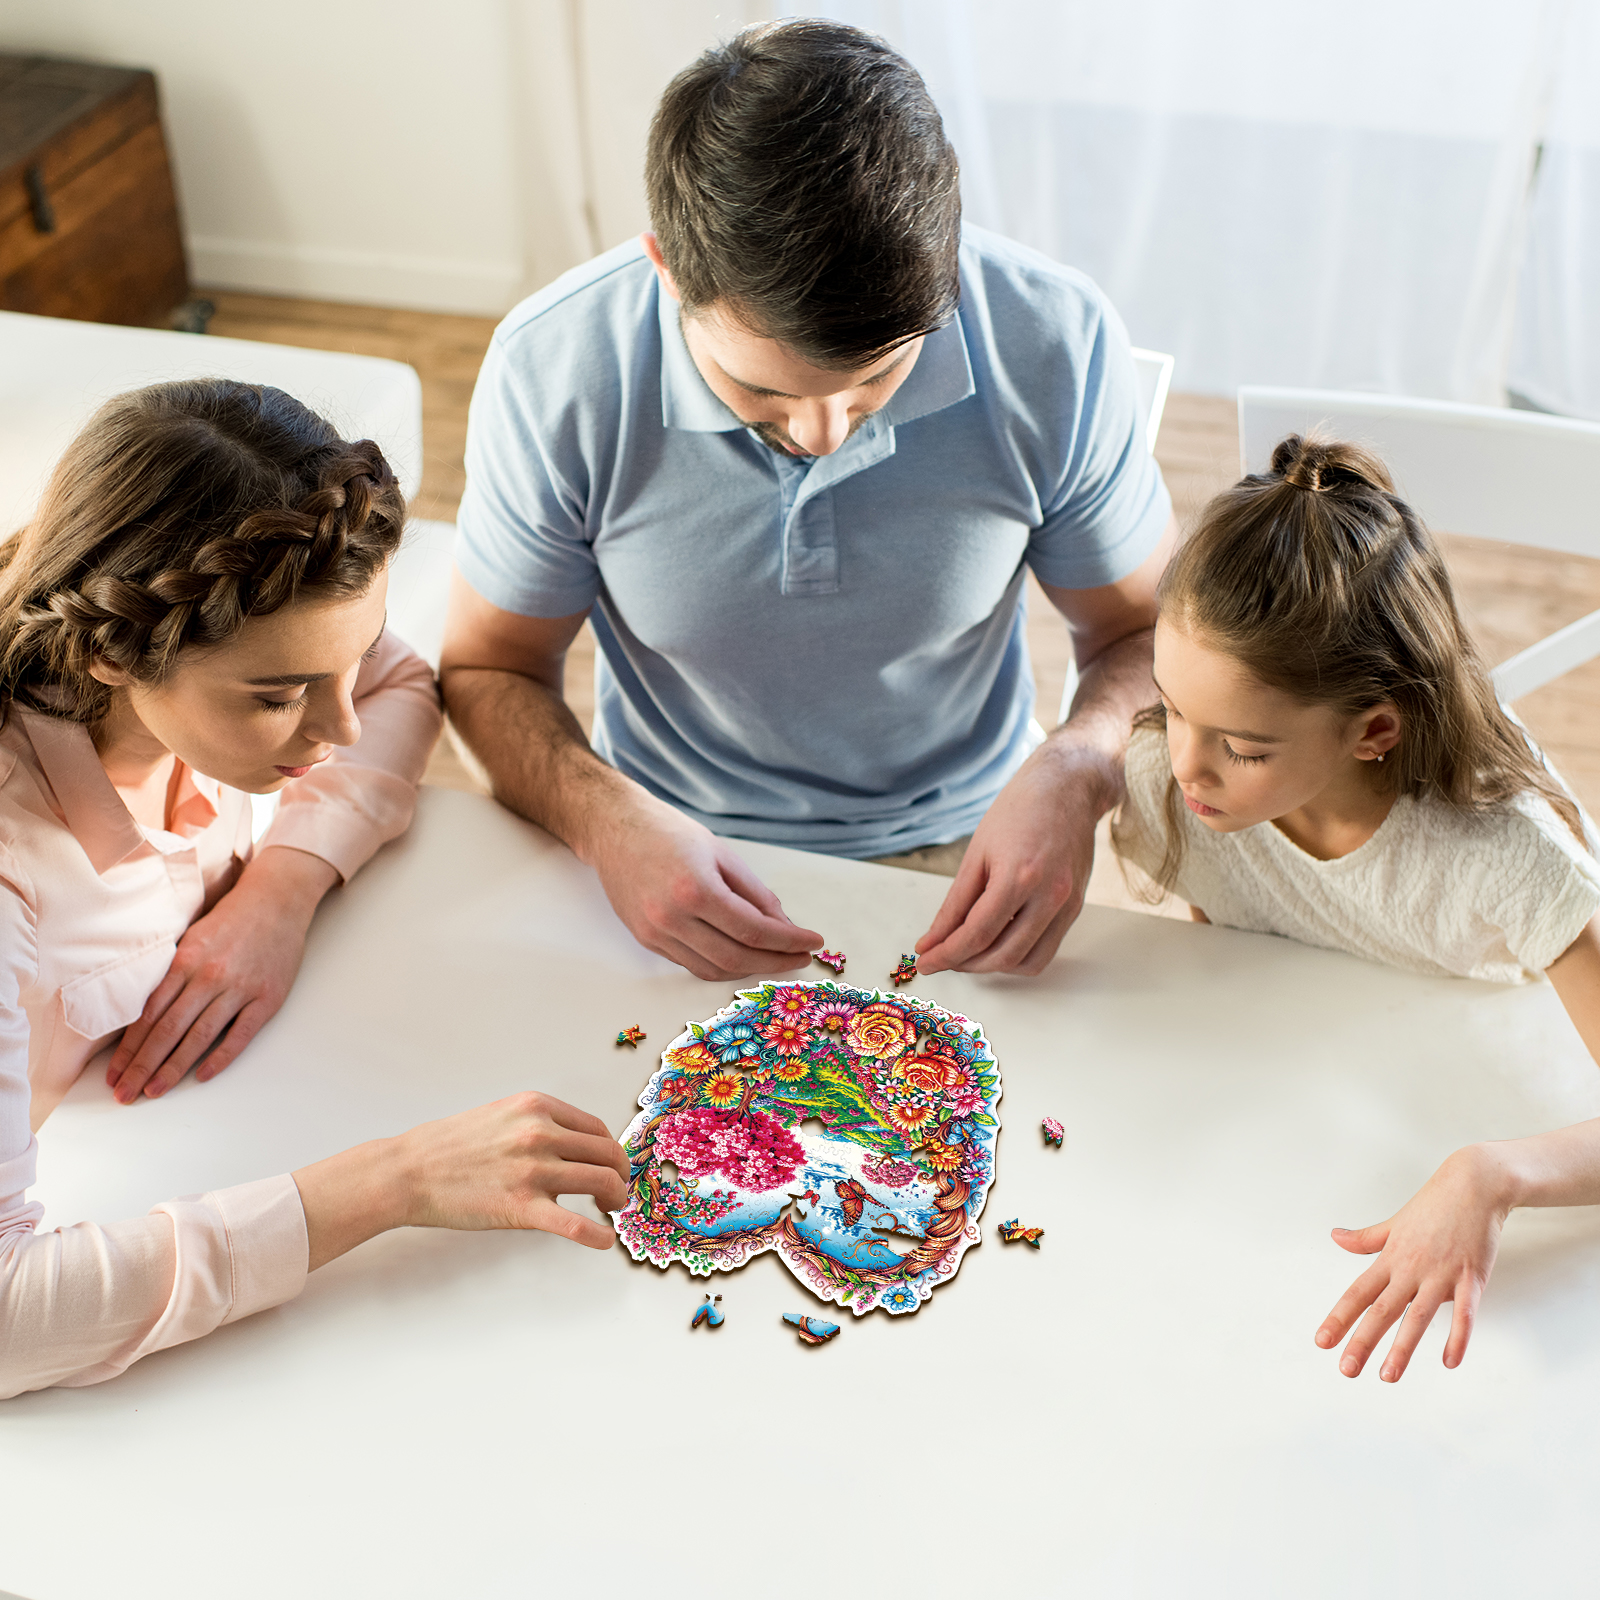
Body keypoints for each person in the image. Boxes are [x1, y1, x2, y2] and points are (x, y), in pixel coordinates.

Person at [440, 19, 1175, 983]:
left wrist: (1079, 772)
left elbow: (1148, 638)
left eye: (877, 382)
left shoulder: (1053, 341)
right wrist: (603, 819)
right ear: (668, 271)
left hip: (972, 842)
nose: (826, 434)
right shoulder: (554, 370)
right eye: (765, 393)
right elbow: (489, 671)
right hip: (659, 846)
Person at [0, 381, 628, 1399]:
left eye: (340, 661)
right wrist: (395, 1181)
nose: (334, 731)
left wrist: (279, 892)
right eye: (278, 696)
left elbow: (394, 686)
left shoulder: (234, 641)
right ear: (111, 650)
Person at [1111, 432, 1600, 1383]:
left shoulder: (1509, 859)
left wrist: (1491, 1175)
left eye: (1242, 748)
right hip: (1316, 1116)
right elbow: (1246, 952)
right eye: (1171, 708)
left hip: (1502, 1055)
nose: (1184, 767)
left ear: (1374, 730)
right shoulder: (1172, 789)